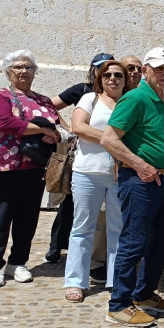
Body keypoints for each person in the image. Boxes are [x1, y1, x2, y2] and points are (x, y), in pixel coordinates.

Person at [100, 47, 164, 327]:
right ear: (146, 70)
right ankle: (119, 304)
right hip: (141, 181)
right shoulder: (135, 98)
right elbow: (109, 139)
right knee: (134, 242)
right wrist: (140, 165)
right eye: (159, 69)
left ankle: (144, 293)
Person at [0, 50, 62, 287]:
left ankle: (18, 262)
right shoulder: (0, 96)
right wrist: (40, 130)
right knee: (2, 214)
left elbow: (57, 126)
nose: (24, 71)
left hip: (35, 165)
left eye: (29, 67)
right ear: (8, 71)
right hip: (4, 165)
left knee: (28, 216)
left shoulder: (44, 100)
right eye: (18, 67)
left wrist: (53, 134)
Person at [63, 60, 128, 302]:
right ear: (100, 79)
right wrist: (111, 140)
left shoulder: (129, 102)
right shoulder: (90, 99)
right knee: (82, 228)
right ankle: (75, 281)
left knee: (118, 228)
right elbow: (78, 127)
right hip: (87, 172)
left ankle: (116, 280)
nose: (113, 79)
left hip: (119, 174)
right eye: (107, 75)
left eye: (118, 75)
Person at [45, 51, 114, 265]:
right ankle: (56, 246)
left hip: (108, 162)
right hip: (80, 155)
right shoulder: (83, 91)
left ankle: (98, 257)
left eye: (108, 67)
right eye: (99, 67)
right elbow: (49, 105)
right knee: (69, 202)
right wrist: (68, 127)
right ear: (93, 70)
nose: (104, 72)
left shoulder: (117, 93)